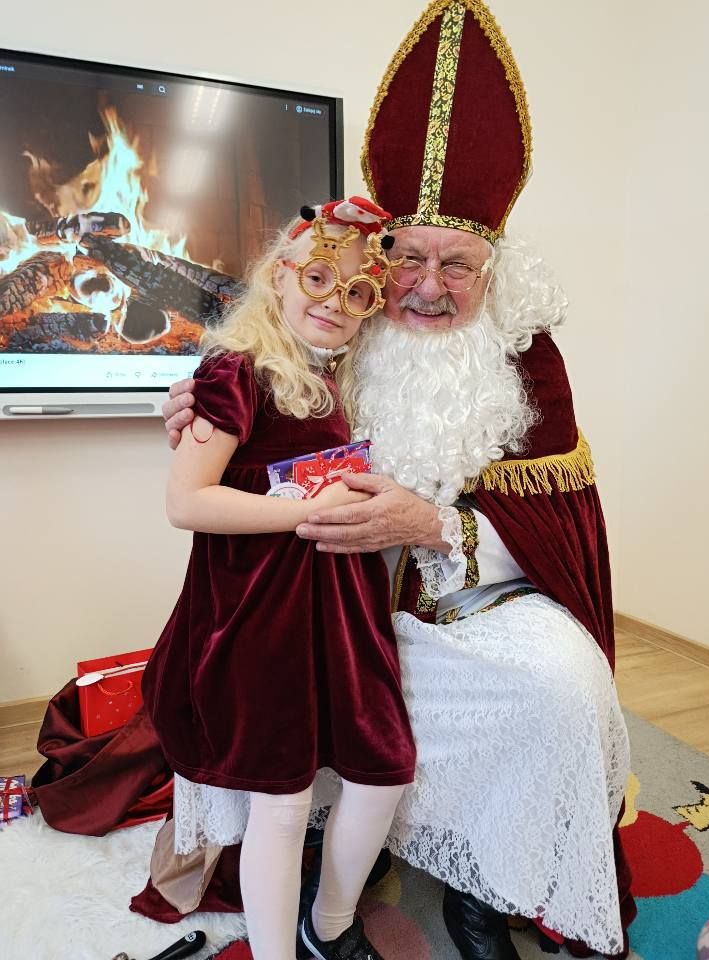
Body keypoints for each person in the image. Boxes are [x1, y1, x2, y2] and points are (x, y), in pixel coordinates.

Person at [161, 2, 635, 958]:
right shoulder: (345, 322)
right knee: (273, 679)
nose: (425, 286)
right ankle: (323, 846)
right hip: (323, 596)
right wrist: (192, 404)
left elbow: (563, 529)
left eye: (456, 266)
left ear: (496, 270)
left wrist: (432, 526)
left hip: (472, 606)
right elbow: (252, 393)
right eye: (407, 259)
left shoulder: (527, 359)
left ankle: (484, 881)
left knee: (564, 686)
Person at [143, 196, 417, 960]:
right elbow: (186, 500)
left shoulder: (342, 381)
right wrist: (307, 509)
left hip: (343, 610)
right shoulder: (235, 371)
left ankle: (328, 924)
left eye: (357, 292)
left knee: (384, 769)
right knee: (284, 803)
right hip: (260, 616)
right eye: (319, 278)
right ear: (281, 277)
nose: (335, 303)